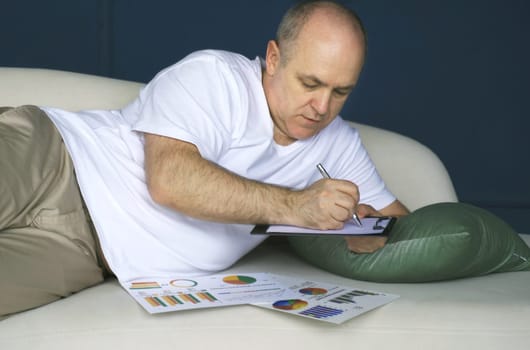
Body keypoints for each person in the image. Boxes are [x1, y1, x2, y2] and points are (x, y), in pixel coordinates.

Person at [0, 0, 408, 318]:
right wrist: (296, 207)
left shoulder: (339, 144)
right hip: (55, 161)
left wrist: (368, 230)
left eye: (341, 92)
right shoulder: (216, 76)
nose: (321, 107)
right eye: (310, 83)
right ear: (274, 58)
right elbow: (170, 180)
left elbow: (407, 227)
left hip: (85, 253)